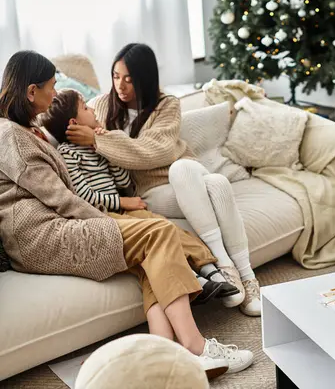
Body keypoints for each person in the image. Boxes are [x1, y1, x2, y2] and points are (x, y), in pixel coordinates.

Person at [0, 50, 253, 378]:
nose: (56, 92)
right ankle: (196, 347)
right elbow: (62, 199)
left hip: (59, 223)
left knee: (151, 255)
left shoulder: (27, 128)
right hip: (43, 237)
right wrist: (113, 220)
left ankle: (167, 358)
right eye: (51, 86)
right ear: (31, 91)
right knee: (157, 233)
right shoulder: (10, 136)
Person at [66, 43, 261, 316]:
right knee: (217, 185)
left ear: (145, 78)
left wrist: (99, 140)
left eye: (129, 79)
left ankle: (240, 274)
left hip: (187, 175)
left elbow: (155, 152)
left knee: (190, 173)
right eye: (115, 76)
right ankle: (237, 271)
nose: (120, 85)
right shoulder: (100, 106)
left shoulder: (167, 105)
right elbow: (69, 128)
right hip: (152, 192)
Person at [39, 88, 237, 304]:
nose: (93, 109)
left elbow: (122, 181)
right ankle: (196, 280)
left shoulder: (97, 144)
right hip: (103, 215)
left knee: (166, 225)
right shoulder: (68, 154)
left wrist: (107, 147)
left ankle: (211, 271)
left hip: (123, 209)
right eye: (85, 108)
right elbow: (83, 195)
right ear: (74, 124)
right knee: (159, 232)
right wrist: (123, 201)